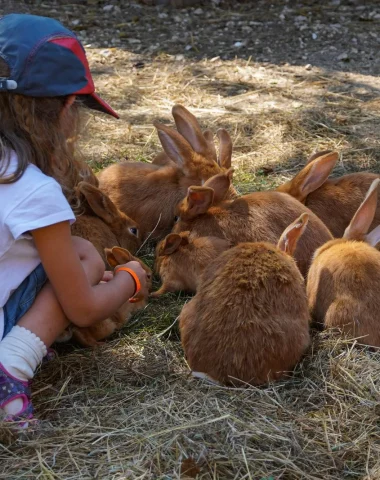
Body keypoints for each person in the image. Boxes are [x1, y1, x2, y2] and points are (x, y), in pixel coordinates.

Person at [0, 13, 148, 427]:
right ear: (67, 106)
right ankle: (11, 367)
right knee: (87, 259)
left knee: (75, 251)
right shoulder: (33, 190)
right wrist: (130, 279)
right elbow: (83, 310)